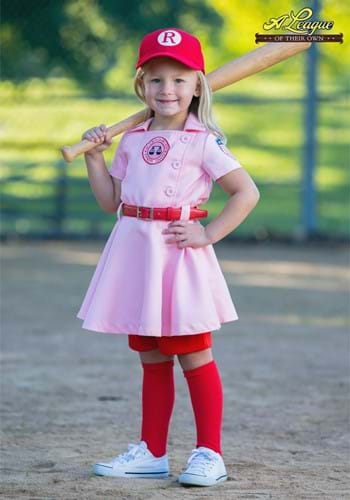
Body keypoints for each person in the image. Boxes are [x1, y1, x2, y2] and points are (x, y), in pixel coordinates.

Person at [76, 27, 260, 487]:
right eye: (156, 79)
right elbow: (110, 200)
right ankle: (152, 452)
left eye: (180, 80)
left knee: (194, 352)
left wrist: (208, 233)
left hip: (178, 254)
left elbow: (245, 192)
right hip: (136, 251)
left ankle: (208, 453)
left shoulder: (204, 139)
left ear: (198, 84)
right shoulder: (133, 138)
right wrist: (95, 159)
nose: (168, 89)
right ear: (142, 86)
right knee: (152, 355)